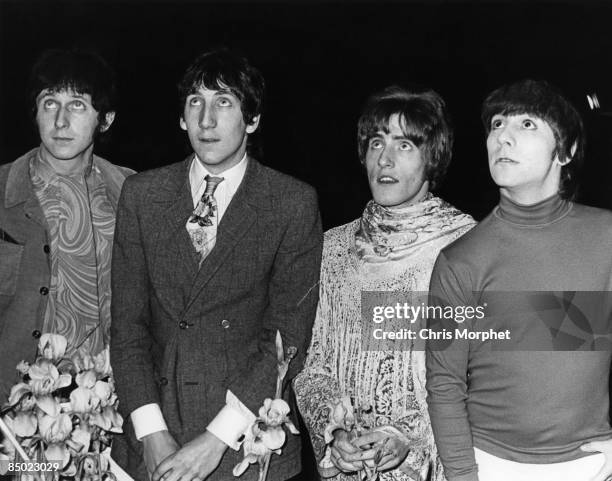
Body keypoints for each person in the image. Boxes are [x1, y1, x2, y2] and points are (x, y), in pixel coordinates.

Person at [110, 49, 323, 481]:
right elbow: (127, 326)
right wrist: (151, 432)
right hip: (150, 443)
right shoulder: (141, 195)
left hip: (245, 448)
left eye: (224, 101)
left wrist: (215, 440)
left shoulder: (292, 202)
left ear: (252, 119)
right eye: (195, 102)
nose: (207, 120)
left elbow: (287, 337)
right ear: (182, 117)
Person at [426, 79, 612, 481]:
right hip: (489, 464)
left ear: (566, 150)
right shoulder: (460, 261)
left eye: (527, 124)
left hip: (590, 464)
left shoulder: (606, 237)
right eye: (496, 124)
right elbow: (445, 386)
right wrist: (463, 476)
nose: (503, 137)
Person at [294, 85, 475, 481]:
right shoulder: (333, 249)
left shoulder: (468, 248)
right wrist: (335, 431)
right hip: (349, 469)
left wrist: (411, 436)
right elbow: (314, 361)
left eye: (406, 145)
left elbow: (484, 376)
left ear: (433, 157)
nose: (385, 159)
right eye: (376, 143)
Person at [0, 48, 133, 399]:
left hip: (105, 403)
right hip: (14, 408)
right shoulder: (3, 191)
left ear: (105, 119)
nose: (60, 121)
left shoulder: (134, 194)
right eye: (49, 103)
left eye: (77, 105)